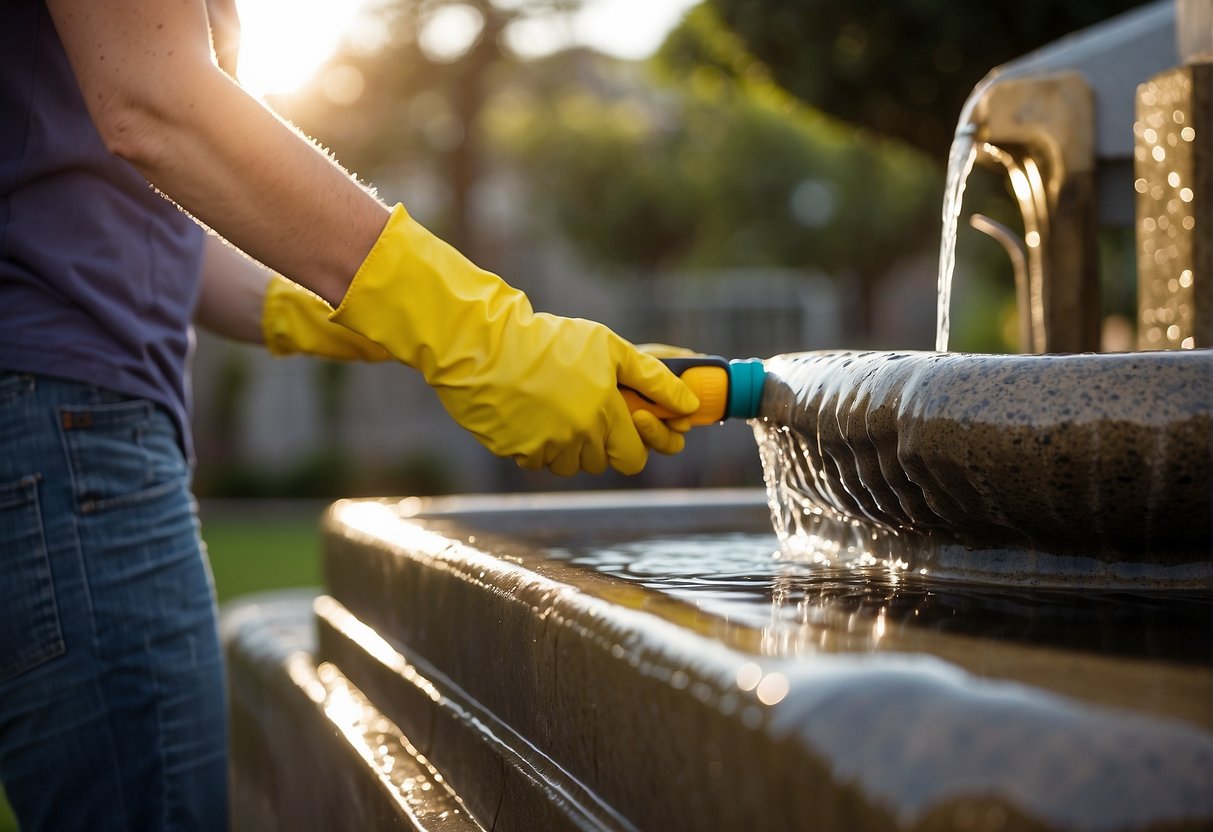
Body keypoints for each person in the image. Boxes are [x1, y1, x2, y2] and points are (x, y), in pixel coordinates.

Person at [0, 0, 700, 828]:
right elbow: (155, 102)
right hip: (65, 432)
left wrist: (383, 325)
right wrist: (479, 333)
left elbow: (151, 250)